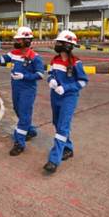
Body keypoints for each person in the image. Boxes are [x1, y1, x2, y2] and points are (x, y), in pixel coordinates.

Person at [0, 27, 45, 156]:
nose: (16, 42)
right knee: (18, 110)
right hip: (16, 88)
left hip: (28, 90)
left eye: (19, 40)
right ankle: (30, 130)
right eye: (16, 39)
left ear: (27, 41)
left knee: (24, 114)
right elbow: (1, 60)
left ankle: (19, 143)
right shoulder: (14, 53)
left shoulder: (35, 57)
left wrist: (24, 76)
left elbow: (40, 74)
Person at [44, 30, 88, 174]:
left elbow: (82, 81)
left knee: (62, 127)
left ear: (68, 45)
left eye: (60, 42)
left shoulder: (76, 63)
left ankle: (53, 160)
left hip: (69, 97)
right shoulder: (55, 60)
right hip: (55, 96)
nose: (57, 44)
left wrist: (66, 88)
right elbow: (50, 73)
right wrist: (51, 80)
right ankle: (68, 148)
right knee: (57, 123)